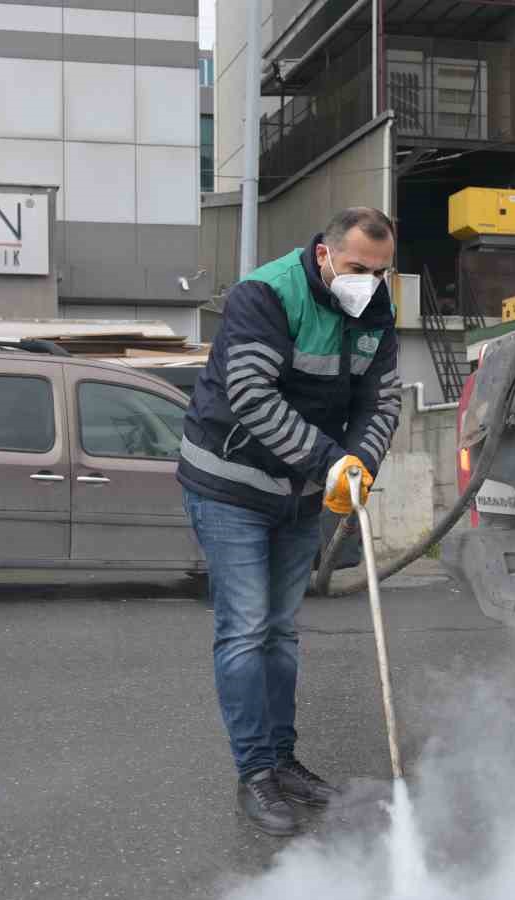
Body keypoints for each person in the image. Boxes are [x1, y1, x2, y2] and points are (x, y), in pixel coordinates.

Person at [177, 206, 403, 836]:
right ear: (326, 255)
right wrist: (330, 462)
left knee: (280, 630)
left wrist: (359, 463)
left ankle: (283, 760)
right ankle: (255, 774)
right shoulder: (265, 295)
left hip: (302, 491)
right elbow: (252, 394)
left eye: (381, 271)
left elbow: (381, 399)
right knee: (247, 629)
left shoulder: (375, 310)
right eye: (359, 267)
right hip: (230, 484)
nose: (370, 281)